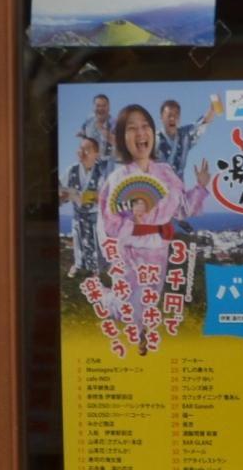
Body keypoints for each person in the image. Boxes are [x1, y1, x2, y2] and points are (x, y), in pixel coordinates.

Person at [98, 104, 209, 354]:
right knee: (127, 301)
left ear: (152, 132)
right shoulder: (116, 179)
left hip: (158, 249)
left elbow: (183, 209)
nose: (140, 133)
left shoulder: (166, 173)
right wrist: (134, 224)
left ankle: (143, 335)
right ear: (122, 137)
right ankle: (108, 301)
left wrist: (200, 187)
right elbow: (109, 225)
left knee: (150, 297)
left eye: (145, 126)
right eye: (132, 128)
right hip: (129, 250)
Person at [59, 135, 110, 278]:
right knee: (78, 243)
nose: (82, 152)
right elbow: (59, 187)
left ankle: (97, 269)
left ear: (96, 154)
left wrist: (83, 196)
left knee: (96, 245)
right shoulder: (72, 170)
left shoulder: (101, 172)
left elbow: (103, 196)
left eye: (87, 149)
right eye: (80, 149)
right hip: (78, 216)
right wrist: (64, 195)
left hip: (95, 217)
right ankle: (78, 264)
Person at [155, 98, 214, 181]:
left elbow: (202, 123)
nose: (172, 118)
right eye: (169, 115)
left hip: (178, 187)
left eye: (176, 115)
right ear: (161, 117)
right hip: (157, 186)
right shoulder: (153, 139)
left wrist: (212, 109)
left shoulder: (185, 136)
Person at [77, 93, 116, 163]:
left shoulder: (113, 123)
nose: (100, 108)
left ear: (109, 107)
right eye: (98, 106)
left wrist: (102, 129)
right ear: (93, 107)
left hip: (107, 160)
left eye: (104, 106)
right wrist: (82, 134)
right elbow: (83, 131)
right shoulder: (89, 119)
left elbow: (117, 142)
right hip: (91, 159)